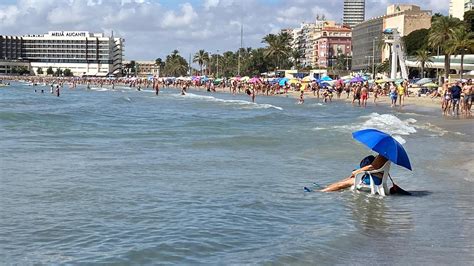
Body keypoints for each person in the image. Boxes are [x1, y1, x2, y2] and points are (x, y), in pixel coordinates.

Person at [320, 154, 389, 192]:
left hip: (372, 179)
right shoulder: (385, 156)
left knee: (341, 185)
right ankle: (327, 187)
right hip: (374, 177)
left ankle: (321, 192)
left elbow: (372, 167)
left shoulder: (382, 156)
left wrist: (357, 171)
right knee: (347, 179)